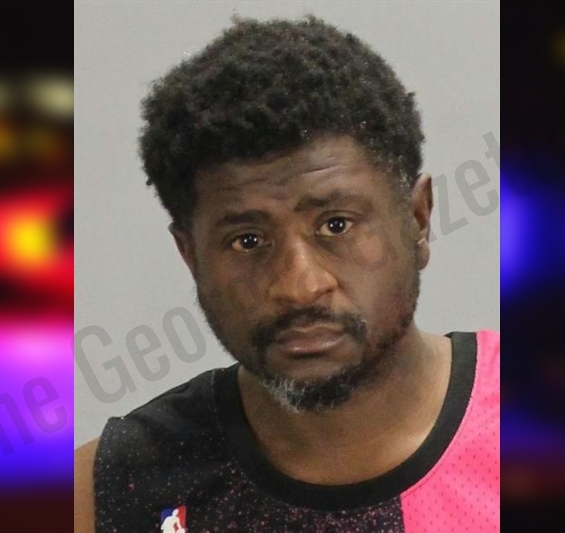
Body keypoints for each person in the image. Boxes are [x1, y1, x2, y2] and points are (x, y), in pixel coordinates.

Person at [75, 15, 499, 532]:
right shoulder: (110, 493)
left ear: (417, 219)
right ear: (191, 257)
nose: (299, 286)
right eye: (247, 241)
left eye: (336, 225)